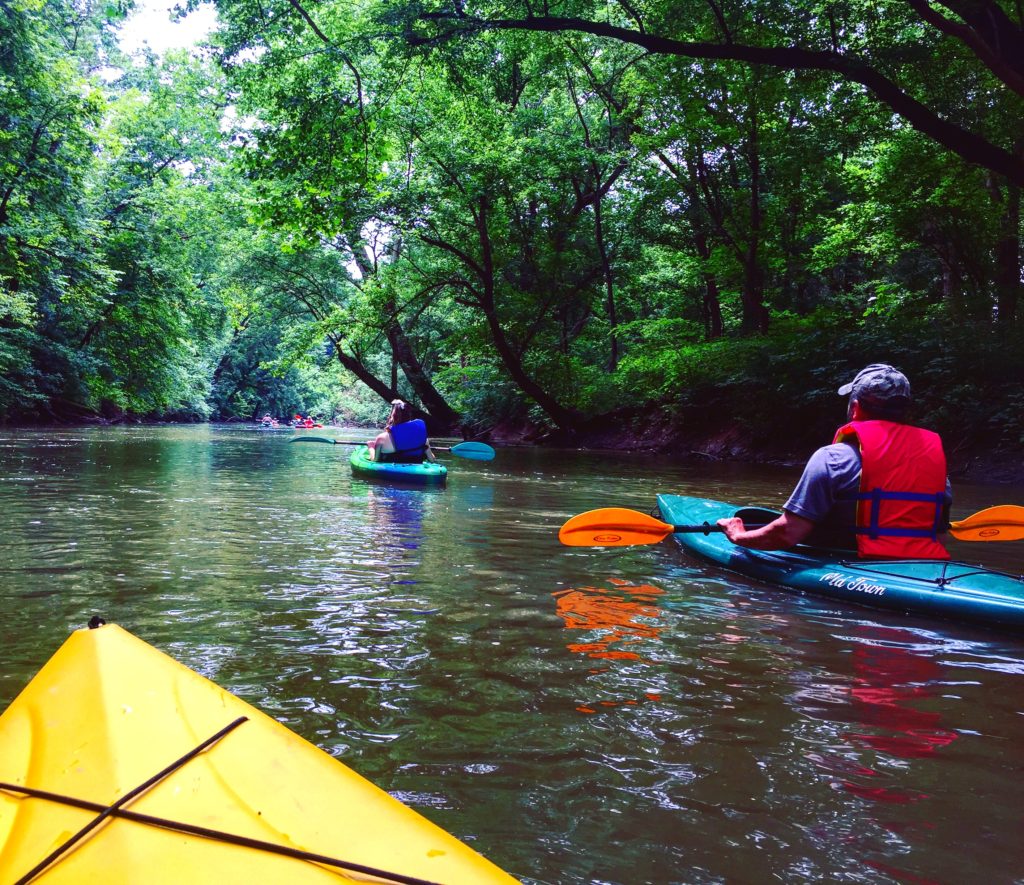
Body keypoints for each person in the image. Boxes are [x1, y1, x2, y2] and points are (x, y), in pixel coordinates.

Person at [717, 363, 951, 559]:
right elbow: (939, 536)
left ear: (855, 408)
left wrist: (739, 536)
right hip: (920, 567)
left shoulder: (833, 459)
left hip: (849, 564)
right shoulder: (937, 469)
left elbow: (788, 533)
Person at [367, 400, 436, 464]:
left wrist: (370, 446)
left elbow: (375, 460)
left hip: (393, 470)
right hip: (416, 465)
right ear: (409, 415)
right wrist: (426, 448)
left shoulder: (382, 438)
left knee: (372, 446)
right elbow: (432, 460)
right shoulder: (422, 438)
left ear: (392, 417)